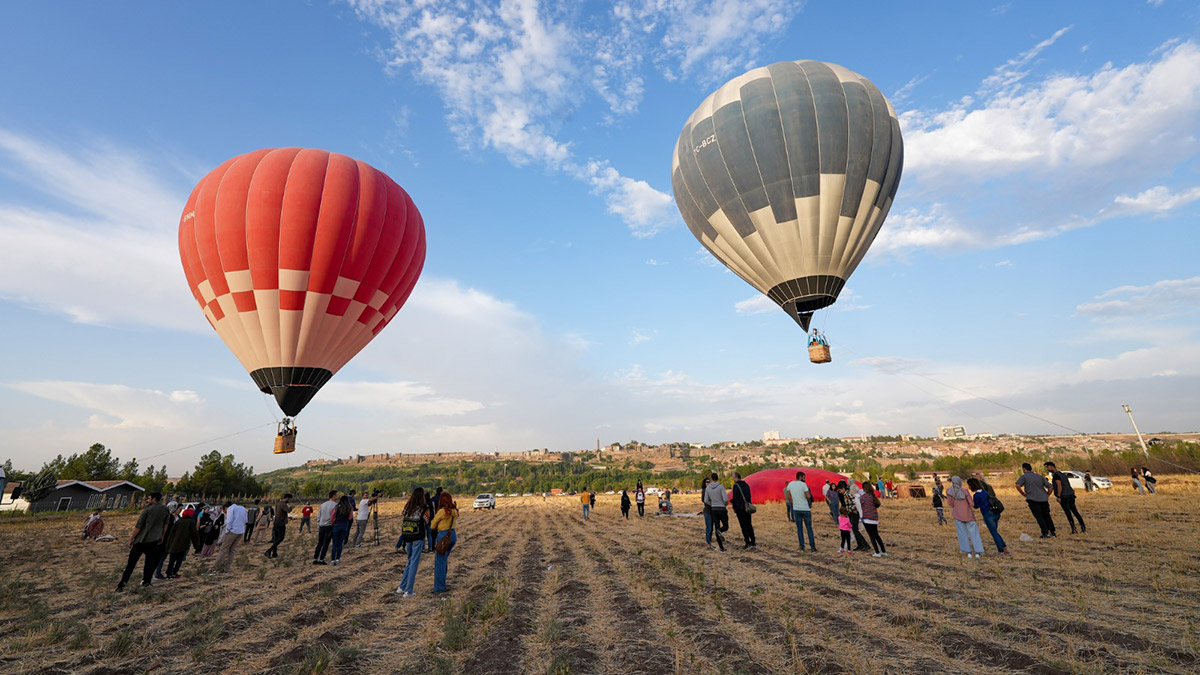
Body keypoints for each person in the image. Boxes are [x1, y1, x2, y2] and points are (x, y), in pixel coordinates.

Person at [116, 491, 170, 590]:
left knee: (131, 564)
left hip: (141, 540)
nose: (147, 500)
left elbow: (139, 526)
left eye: (149, 499)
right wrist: (162, 536)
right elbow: (165, 525)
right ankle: (146, 582)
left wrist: (132, 538)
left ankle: (122, 584)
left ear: (154, 499)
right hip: (154, 540)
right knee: (149, 563)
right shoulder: (165, 510)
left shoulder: (147, 510)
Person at [395, 488, 429, 597]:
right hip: (418, 537)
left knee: (409, 561)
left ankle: (402, 586)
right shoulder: (423, 508)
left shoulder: (408, 507)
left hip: (408, 537)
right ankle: (408, 590)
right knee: (414, 562)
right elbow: (427, 521)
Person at [947, 476, 985, 558]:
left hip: (957, 515)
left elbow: (950, 504)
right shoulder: (965, 491)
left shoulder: (949, 492)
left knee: (962, 533)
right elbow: (972, 504)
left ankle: (966, 551)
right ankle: (979, 551)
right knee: (974, 533)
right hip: (968, 515)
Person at [1016, 463, 1056, 538]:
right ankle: (1052, 532)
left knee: (1039, 517)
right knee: (1047, 516)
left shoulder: (1024, 477)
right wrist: (1047, 494)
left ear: (1024, 469)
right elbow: (1050, 487)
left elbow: (1018, 485)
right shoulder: (1039, 476)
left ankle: (1045, 533)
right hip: (1043, 499)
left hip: (1033, 499)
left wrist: (1023, 493)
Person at [967, 477, 1006, 554]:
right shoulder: (985, 491)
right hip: (995, 513)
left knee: (994, 533)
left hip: (988, 514)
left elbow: (975, 506)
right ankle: (1005, 549)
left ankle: (1001, 550)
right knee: (995, 532)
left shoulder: (976, 495)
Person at [1045, 462, 1085, 534]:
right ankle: (1083, 527)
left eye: (1048, 467)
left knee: (1068, 513)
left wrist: (1059, 496)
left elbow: (1059, 485)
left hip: (1064, 496)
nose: (1047, 469)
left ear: (1052, 467)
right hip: (1070, 494)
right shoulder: (1062, 474)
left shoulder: (1056, 475)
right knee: (1075, 512)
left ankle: (1074, 529)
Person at [431, 491, 459, 593]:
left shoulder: (442, 512)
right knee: (444, 560)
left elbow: (432, 525)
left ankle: (439, 587)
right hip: (452, 535)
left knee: (439, 562)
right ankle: (443, 584)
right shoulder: (454, 511)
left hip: (443, 536)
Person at [212, 499, 248, 574]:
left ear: (226, 507)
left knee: (223, 550)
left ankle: (214, 568)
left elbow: (229, 521)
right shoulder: (243, 508)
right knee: (232, 550)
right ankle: (226, 569)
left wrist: (227, 531)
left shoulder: (231, 509)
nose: (225, 512)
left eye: (224, 510)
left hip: (232, 531)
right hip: (240, 531)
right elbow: (245, 520)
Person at [164, 506, 202, 578]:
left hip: (174, 543)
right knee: (179, 559)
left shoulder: (179, 521)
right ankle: (174, 572)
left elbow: (172, 532)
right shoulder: (191, 522)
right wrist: (197, 546)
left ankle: (169, 572)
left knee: (172, 559)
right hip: (183, 544)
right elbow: (194, 534)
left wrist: (169, 543)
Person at [785, 471, 816, 552]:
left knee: (799, 528)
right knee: (809, 528)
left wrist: (793, 503)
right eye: (804, 477)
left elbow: (789, 495)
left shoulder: (790, 484)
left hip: (796, 508)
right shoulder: (803, 485)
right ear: (801, 477)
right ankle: (812, 547)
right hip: (805, 508)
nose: (805, 479)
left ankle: (802, 546)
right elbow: (808, 496)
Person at [840, 482, 871, 551]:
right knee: (854, 530)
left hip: (854, 513)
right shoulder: (846, 495)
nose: (840, 492)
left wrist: (851, 511)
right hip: (852, 513)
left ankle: (865, 544)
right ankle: (859, 544)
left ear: (843, 488)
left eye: (840, 490)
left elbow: (854, 503)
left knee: (855, 530)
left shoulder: (848, 495)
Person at [858, 483, 886, 557]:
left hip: (867, 518)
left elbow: (859, 505)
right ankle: (883, 551)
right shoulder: (873, 496)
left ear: (864, 488)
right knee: (876, 535)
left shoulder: (863, 497)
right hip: (874, 518)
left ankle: (877, 552)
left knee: (871, 536)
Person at [703, 472, 728, 552]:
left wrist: (712, 504)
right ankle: (721, 530)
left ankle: (721, 547)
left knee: (716, 526)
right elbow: (725, 499)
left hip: (714, 509)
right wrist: (724, 504)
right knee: (726, 526)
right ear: (717, 478)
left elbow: (706, 500)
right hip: (721, 508)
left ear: (711, 479)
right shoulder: (721, 487)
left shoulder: (708, 489)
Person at [313, 490, 339, 565]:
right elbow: (334, 516)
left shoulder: (323, 504)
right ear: (333, 496)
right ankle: (321, 559)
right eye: (337, 495)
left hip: (321, 526)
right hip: (329, 526)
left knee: (320, 543)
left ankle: (315, 558)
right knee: (326, 543)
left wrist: (319, 523)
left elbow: (318, 515)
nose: (337, 496)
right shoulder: (335, 505)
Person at [731, 472, 756, 548]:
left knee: (743, 526)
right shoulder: (746, 485)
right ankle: (753, 541)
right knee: (749, 524)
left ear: (735, 477)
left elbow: (735, 498)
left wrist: (734, 507)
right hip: (747, 507)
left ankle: (747, 542)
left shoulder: (736, 486)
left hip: (740, 508)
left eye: (733, 477)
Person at [265, 493, 292, 558]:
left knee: (276, 539)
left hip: (276, 522)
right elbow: (288, 510)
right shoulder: (283, 504)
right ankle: (268, 551)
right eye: (289, 499)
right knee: (281, 538)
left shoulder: (278, 503)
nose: (290, 500)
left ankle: (274, 553)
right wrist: (291, 507)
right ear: (287, 498)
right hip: (280, 523)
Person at [330, 495, 353, 565]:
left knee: (334, 544)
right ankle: (337, 559)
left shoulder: (337, 507)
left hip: (336, 525)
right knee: (340, 543)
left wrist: (333, 522)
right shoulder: (349, 507)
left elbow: (332, 516)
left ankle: (332, 560)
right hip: (344, 526)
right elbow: (350, 517)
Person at [698, 478, 714, 549]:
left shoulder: (712, 490)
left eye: (710, 482)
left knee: (711, 528)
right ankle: (708, 544)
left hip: (713, 511)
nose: (709, 483)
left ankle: (709, 543)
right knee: (709, 528)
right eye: (707, 482)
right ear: (705, 483)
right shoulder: (705, 490)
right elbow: (704, 500)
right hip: (708, 511)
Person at [428, 487, 444, 551]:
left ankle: (432, 545)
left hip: (434, 517)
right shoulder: (442, 499)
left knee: (433, 533)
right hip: (441, 516)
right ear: (441, 492)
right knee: (441, 532)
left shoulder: (433, 499)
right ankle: (439, 545)